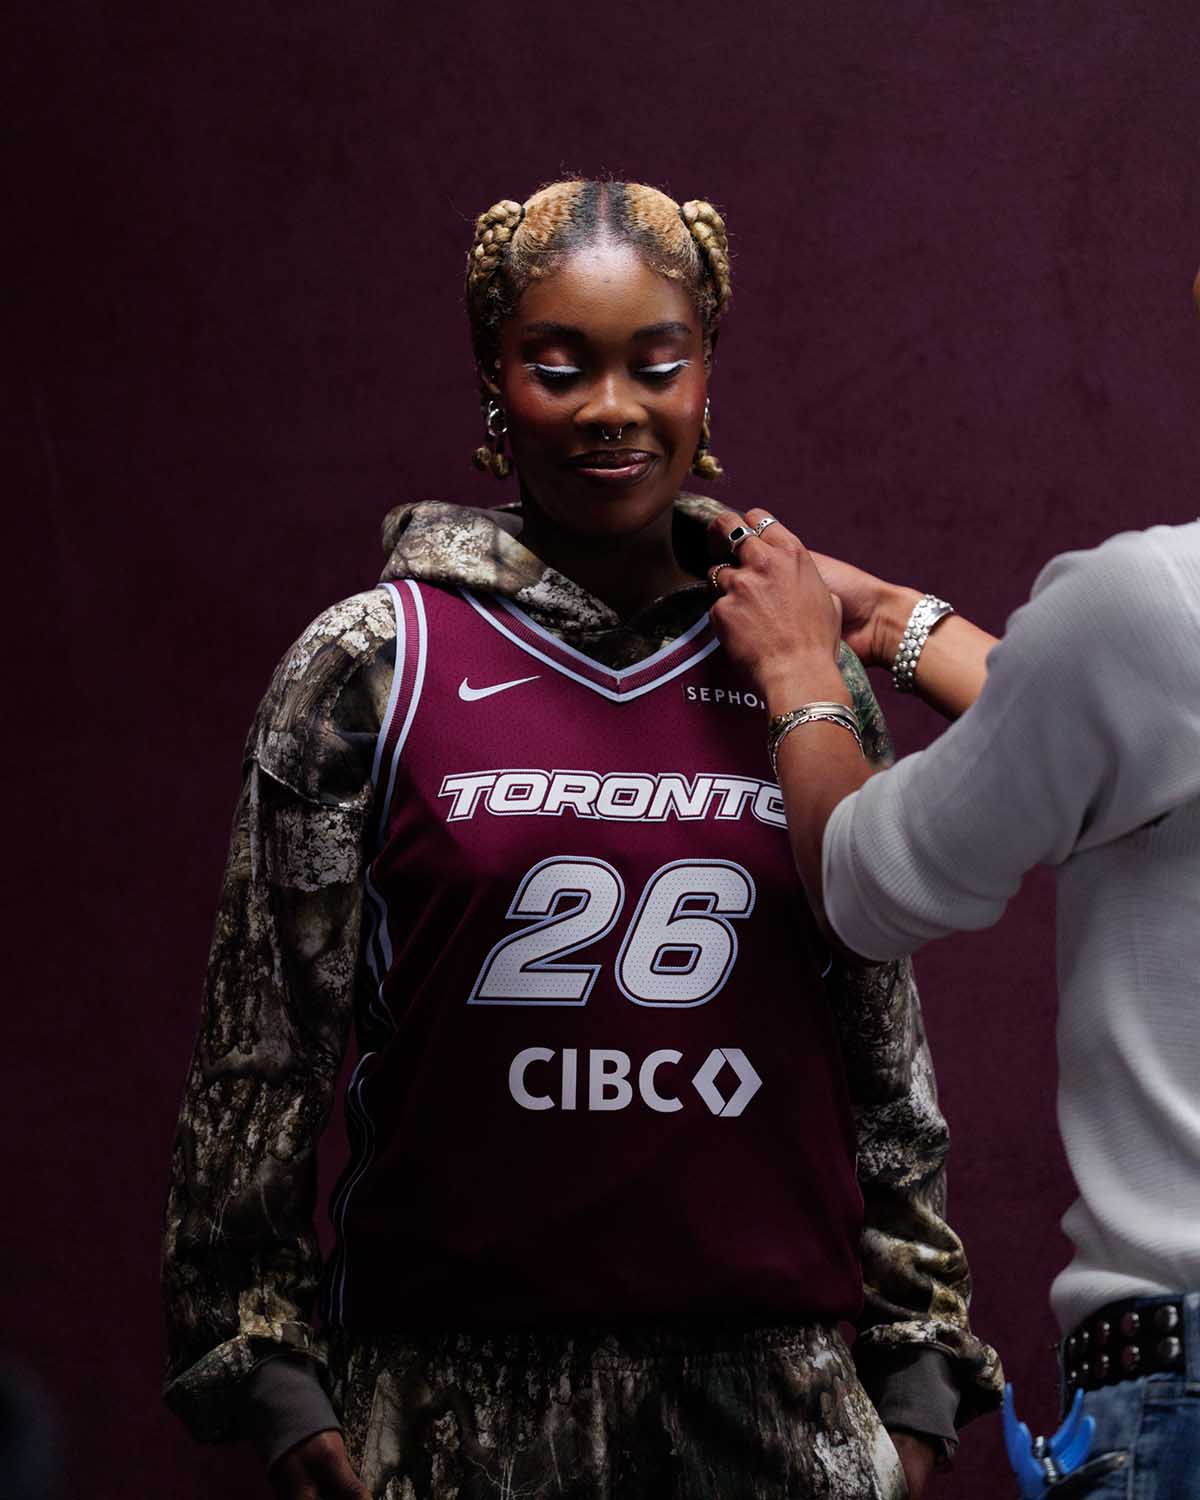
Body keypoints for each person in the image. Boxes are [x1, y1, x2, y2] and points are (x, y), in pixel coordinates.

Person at [162, 179, 1001, 1500]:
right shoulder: (375, 665)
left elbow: (875, 1035)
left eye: (655, 365)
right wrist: (258, 1355)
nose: (613, 407)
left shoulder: (791, 663)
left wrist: (922, 1352)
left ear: (706, 378)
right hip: (452, 1405)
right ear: (497, 385)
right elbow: (262, 1043)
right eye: (561, 369)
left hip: (771, 1397)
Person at [705, 503, 1200, 1496]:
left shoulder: (1159, 599)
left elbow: (864, 884)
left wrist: (801, 666)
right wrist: (891, 620)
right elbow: (1123, 732)